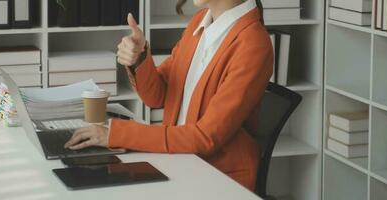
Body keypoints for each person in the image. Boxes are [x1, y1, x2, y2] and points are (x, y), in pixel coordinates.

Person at [64, 0, 273, 191]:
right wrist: (139, 57)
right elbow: (159, 95)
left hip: (217, 179)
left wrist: (115, 134)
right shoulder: (200, 22)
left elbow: (205, 137)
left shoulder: (253, 43)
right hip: (179, 162)